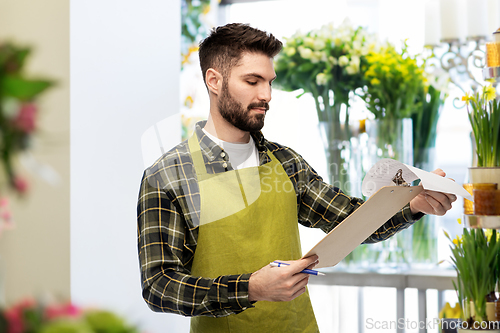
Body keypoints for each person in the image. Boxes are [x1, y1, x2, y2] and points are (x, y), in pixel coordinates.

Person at [137, 23, 457, 333]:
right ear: (214, 80)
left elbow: (352, 221)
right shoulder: (167, 176)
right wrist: (250, 288)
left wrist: (412, 204)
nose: (267, 95)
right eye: (253, 81)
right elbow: (159, 286)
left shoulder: (286, 162)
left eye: (270, 82)